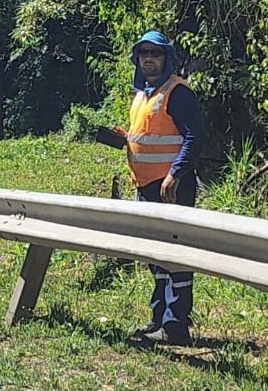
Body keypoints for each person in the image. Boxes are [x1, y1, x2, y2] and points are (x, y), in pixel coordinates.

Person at [99, 29, 206, 347]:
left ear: (166, 58)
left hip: (171, 188)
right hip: (146, 187)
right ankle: (159, 318)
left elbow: (194, 136)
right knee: (155, 257)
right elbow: (150, 135)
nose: (149, 58)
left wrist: (176, 173)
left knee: (174, 256)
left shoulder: (178, 92)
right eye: (144, 53)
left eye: (155, 53)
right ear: (137, 58)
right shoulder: (143, 93)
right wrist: (126, 139)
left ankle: (176, 327)